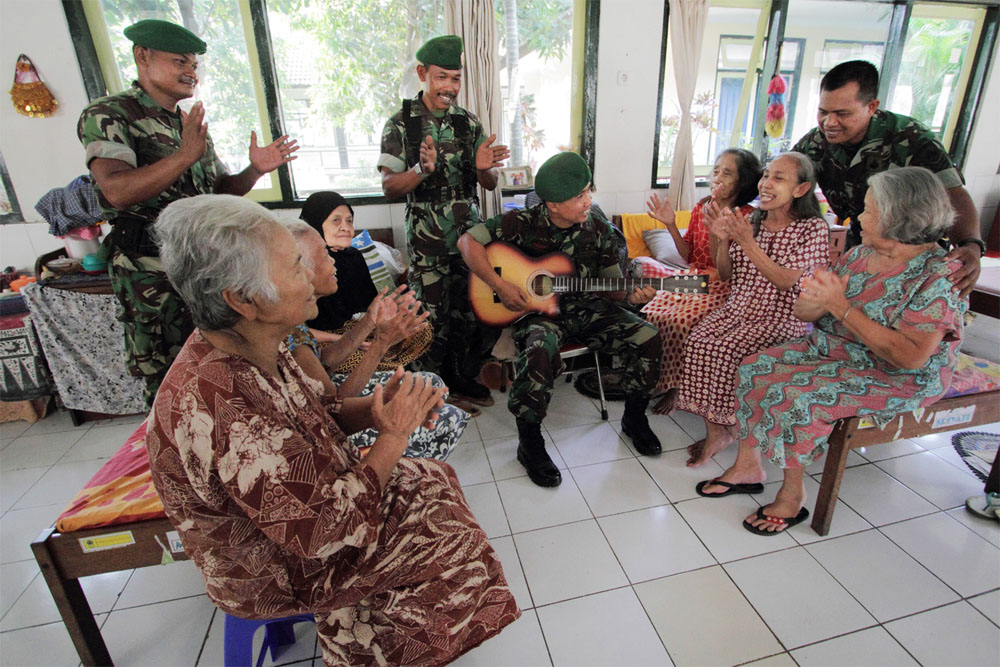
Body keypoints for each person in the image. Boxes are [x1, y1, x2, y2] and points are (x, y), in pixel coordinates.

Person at [147, 194, 519, 664]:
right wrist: (392, 437)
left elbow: (322, 409)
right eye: (294, 266)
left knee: (435, 480)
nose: (309, 276)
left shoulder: (261, 345)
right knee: (448, 539)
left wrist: (381, 411)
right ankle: (386, 647)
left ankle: (405, 636)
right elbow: (326, 532)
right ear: (243, 300)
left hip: (315, 514)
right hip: (277, 566)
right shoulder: (222, 404)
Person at [699, 167, 966, 535]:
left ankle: (793, 496)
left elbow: (910, 357)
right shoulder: (860, 256)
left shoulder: (936, 277)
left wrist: (840, 307)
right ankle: (748, 466)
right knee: (755, 367)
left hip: (895, 374)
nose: (859, 217)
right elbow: (807, 310)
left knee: (799, 396)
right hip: (835, 351)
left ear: (897, 218)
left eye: (869, 210)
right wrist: (815, 300)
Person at [78, 19, 299, 405]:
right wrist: (184, 156)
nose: (190, 72)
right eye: (180, 61)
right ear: (142, 56)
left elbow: (216, 193)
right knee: (168, 378)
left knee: (215, 368)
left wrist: (256, 171)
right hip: (151, 272)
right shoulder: (110, 115)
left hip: (200, 267)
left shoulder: (186, 123)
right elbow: (116, 191)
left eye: (194, 65)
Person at [458, 152, 662, 488]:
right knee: (540, 347)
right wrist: (500, 286)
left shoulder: (599, 229)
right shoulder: (521, 223)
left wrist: (630, 294)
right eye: (579, 196)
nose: (588, 201)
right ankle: (530, 442)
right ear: (553, 204)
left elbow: (612, 287)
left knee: (647, 335)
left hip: (586, 308)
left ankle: (635, 418)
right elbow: (468, 242)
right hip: (538, 314)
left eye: (588, 191)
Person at [378, 34, 509, 407]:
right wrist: (422, 169)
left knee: (471, 314)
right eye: (441, 77)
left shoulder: (468, 123)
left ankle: (460, 379)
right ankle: (429, 395)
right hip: (428, 243)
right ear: (422, 73)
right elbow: (389, 187)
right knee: (430, 321)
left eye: (455, 78)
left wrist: (485, 169)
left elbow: (488, 182)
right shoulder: (402, 125)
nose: (450, 87)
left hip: (470, 241)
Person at [678, 152, 829, 468]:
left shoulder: (812, 229)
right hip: (738, 310)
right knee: (697, 341)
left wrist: (747, 243)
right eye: (766, 175)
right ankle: (718, 430)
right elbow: (727, 273)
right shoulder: (751, 221)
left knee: (722, 349)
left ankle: (733, 428)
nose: (766, 184)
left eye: (778, 178)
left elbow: (788, 281)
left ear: (801, 190)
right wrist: (721, 240)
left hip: (781, 318)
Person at [792, 59, 982, 297]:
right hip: (861, 248)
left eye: (842, 113)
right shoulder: (815, 142)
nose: (829, 123)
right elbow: (783, 176)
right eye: (823, 112)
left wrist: (971, 246)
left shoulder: (911, 139)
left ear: (871, 106)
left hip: (910, 258)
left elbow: (954, 195)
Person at [284, 219, 471, 460]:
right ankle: (401, 477)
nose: (332, 259)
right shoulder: (287, 331)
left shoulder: (295, 318)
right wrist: (381, 344)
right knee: (446, 419)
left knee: (431, 384)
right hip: (325, 434)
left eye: (348, 220)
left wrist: (370, 320)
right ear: (299, 270)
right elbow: (338, 409)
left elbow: (325, 363)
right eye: (323, 253)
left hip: (329, 405)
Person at [637, 149, 763, 414]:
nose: (717, 177)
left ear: (743, 181)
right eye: (716, 170)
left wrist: (719, 232)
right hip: (694, 278)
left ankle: (678, 388)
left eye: (727, 173)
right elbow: (688, 256)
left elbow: (727, 272)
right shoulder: (700, 207)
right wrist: (671, 224)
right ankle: (658, 378)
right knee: (651, 312)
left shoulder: (747, 216)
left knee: (682, 321)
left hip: (725, 286)